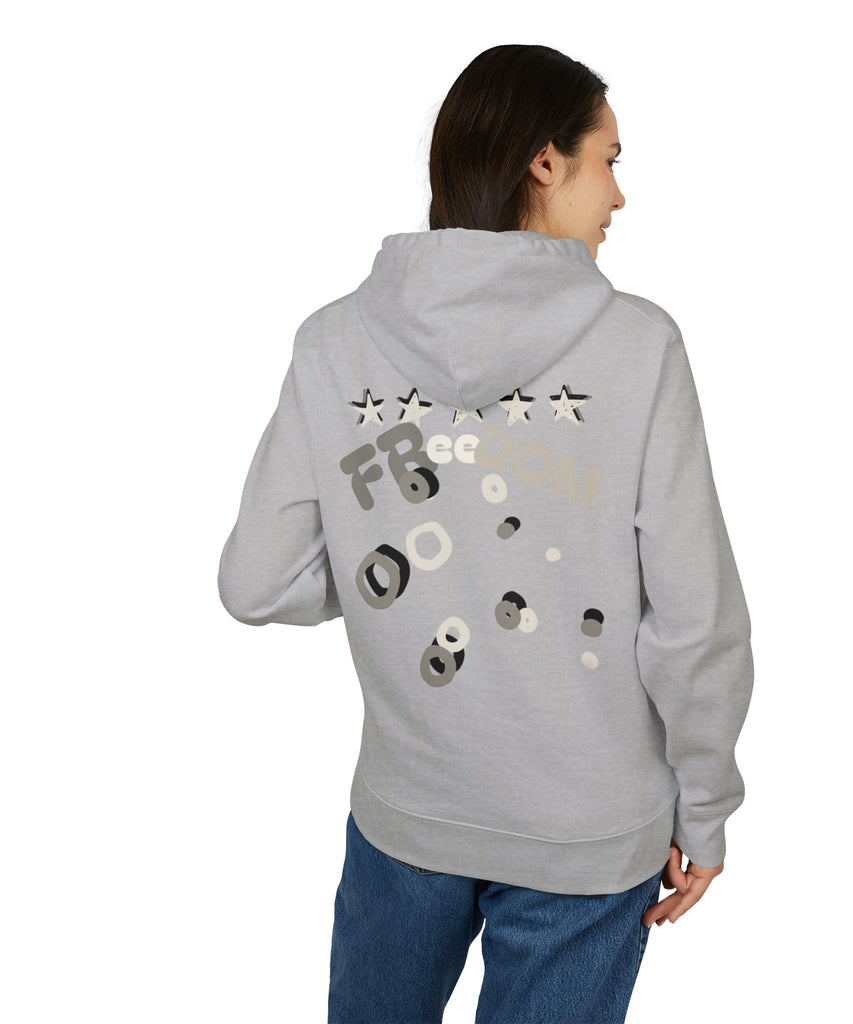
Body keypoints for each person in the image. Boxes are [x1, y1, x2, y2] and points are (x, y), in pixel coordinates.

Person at [218, 43, 755, 1024]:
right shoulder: (639, 347)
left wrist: (397, 552)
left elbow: (259, 580)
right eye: (609, 160)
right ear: (544, 161)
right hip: (585, 836)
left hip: (407, 816)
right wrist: (707, 808)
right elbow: (693, 617)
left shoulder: (335, 340)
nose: (619, 196)